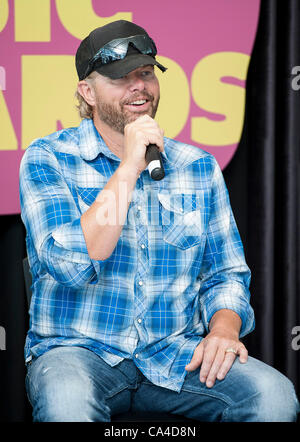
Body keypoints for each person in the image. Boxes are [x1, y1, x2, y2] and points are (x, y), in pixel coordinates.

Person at [19, 19, 299, 422]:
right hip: (79, 352)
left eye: (146, 73)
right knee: (67, 404)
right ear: (88, 92)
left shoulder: (197, 167)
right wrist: (130, 166)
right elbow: (73, 264)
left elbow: (226, 274)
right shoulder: (49, 158)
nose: (139, 86)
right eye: (120, 77)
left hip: (173, 354)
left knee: (273, 396)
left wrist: (223, 330)